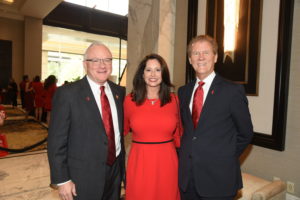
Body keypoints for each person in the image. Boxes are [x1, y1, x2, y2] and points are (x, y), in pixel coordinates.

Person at [178, 35, 253, 200]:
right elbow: (186, 131)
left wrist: (224, 156)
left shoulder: (232, 91)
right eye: (196, 53)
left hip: (219, 179)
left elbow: (246, 133)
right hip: (187, 179)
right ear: (190, 60)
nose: (201, 57)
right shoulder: (183, 92)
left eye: (206, 52)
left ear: (216, 57)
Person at [47, 42, 126, 200]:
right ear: (85, 64)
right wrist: (62, 180)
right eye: (95, 60)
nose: (102, 65)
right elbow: (56, 141)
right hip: (82, 178)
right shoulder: (67, 94)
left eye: (107, 60)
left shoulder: (119, 92)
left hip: (115, 173)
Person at [124, 53, 182, 200]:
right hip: (140, 163)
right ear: (142, 74)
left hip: (167, 163)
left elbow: (179, 135)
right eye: (148, 70)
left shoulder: (174, 101)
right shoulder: (129, 101)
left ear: (164, 74)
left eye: (158, 70)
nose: (153, 74)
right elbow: (119, 132)